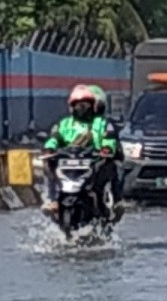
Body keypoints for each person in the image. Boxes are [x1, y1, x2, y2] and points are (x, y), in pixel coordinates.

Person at [42, 84, 123, 220]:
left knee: (113, 168)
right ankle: (52, 199)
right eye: (78, 105)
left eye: (85, 105)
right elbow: (54, 138)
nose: (81, 108)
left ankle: (115, 203)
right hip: (68, 162)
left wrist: (106, 149)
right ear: (72, 107)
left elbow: (109, 138)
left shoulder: (101, 123)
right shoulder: (64, 124)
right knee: (47, 164)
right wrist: (50, 148)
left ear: (92, 106)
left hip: (95, 161)